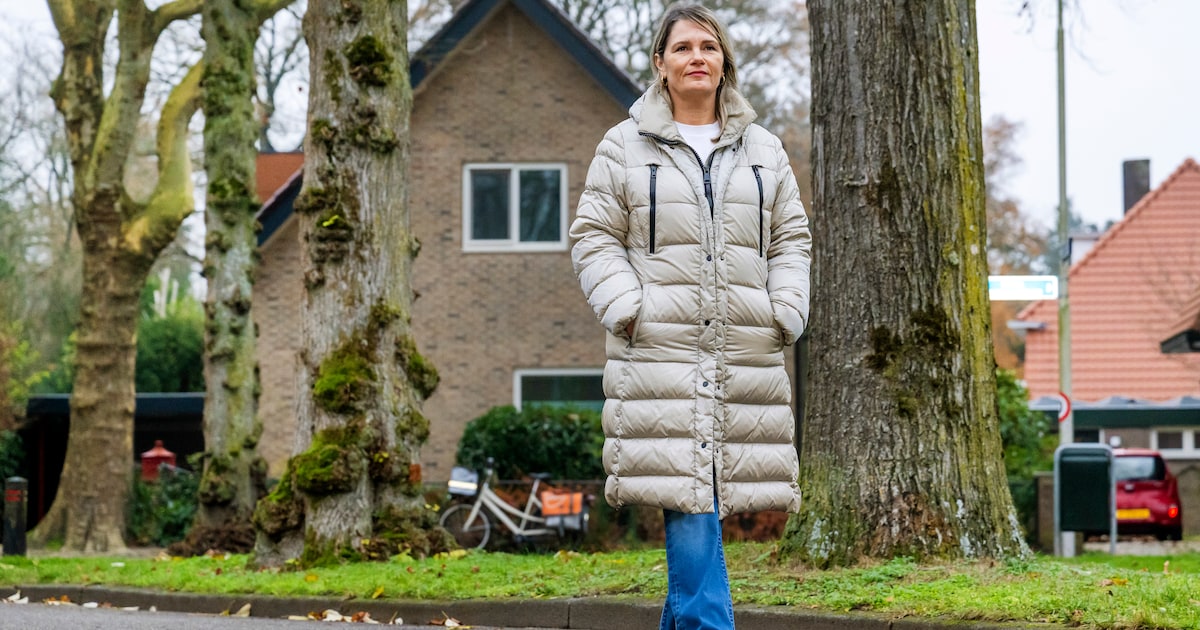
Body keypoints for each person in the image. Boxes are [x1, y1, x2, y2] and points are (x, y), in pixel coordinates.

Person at [568, 4, 812, 629]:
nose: (696, 56)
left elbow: (791, 238)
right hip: (660, 349)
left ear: (724, 60)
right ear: (660, 64)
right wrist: (627, 307)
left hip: (743, 347)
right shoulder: (623, 147)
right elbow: (594, 235)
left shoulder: (764, 150)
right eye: (682, 48)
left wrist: (784, 310)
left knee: (702, 497)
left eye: (708, 46)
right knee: (691, 499)